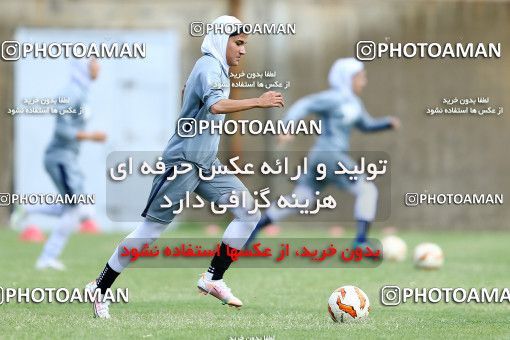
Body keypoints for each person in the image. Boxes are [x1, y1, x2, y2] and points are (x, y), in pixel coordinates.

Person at [86, 15, 284, 319]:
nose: (243, 50)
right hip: (182, 164)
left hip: (206, 163)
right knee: (150, 232)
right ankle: (99, 287)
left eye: (245, 44)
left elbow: (196, 101)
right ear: (222, 40)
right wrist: (258, 101)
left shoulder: (216, 69)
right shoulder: (208, 66)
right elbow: (217, 105)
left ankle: (213, 278)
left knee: (249, 213)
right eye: (239, 42)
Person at [248, 58, 400, 248]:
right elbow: (304, 104)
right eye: (361, 77)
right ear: (347, 78)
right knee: (367, 189)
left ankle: (252, 229)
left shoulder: (355, 103)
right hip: (330, 155)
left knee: (301, 199)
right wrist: (287, 126)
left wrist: (386, 123)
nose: (364, 81)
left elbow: (366, 125)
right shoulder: (333, 98)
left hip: (321, 159)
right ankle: (360, 242)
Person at [12, 58, 106, 270]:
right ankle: (46, 258)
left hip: (68, 158)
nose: (98, 67)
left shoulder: (82, 91)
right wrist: (91, 136)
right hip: (59, 157)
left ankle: (27, 209)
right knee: (76, 209)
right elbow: (62, 130)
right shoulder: (71, 92)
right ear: (84, 67)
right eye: (94, 63)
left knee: (78, 209)